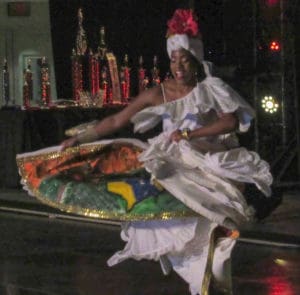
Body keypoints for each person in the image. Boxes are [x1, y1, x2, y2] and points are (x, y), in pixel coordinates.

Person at [21, 9, 272, 295]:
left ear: (196, 61)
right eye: (174, 59)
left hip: (202, 157)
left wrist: (190, 134)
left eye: (185, 59)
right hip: (169, 161)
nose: (178, 66)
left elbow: (230, 120)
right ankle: (203, 273)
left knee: (208, 212)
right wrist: (80, 139)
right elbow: (117, 120)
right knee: (162, 220)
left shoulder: (211, 89)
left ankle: (211, 262)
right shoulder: (158, 93)